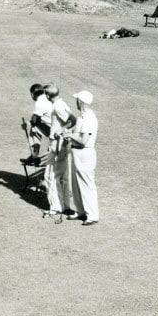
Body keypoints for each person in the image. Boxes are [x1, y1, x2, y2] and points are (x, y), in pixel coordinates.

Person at [66, 90, 99, 226]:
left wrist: (68, 134)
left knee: (86, 184)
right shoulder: (81, 117)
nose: (76, 102)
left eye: (77, 100)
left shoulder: (89, 118)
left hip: (85, 153)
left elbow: (83, 140)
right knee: (76, 184)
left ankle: (92, 215)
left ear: (81, 102)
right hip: (77, 153)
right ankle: (81, 211)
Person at [43, 84, 76, 218]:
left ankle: (55, 207)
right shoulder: (62, 104)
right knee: (63, 176)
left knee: (50, 176)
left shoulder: (57, 106)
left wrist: (61, 130)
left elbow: (72, 120)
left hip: (58, 144)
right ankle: (65, 206)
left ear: (47, 95)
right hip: (63, 143)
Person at [22, 83, 51, 166]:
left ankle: (35, 156)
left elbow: (35, 121)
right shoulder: (47, 98)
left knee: (34, 128)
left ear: (32, 94)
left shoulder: (39, 102)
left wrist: (27, 123)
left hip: (53, 130)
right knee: (35, 127)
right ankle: (35, 155)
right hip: (55, 127)